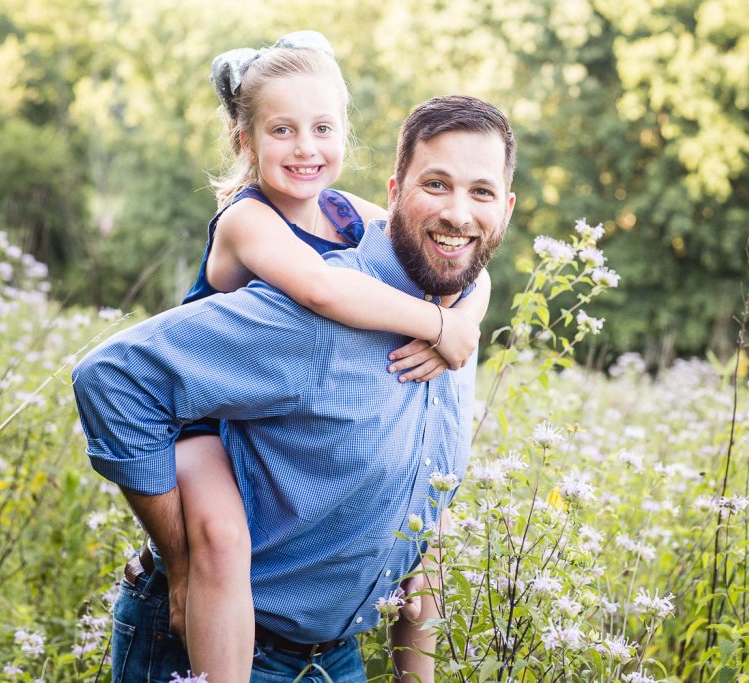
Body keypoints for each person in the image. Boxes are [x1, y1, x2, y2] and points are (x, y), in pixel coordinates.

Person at [73, 93, 517, 682]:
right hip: (220, 643)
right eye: (436, 184)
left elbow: (422, 516)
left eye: (481, 192)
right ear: (393, 194)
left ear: (506, 208)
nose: (460, 213)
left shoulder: (458, 324)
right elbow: (112, 378)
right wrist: (180, 561)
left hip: (335, 659)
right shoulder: (314, 313)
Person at [170, 32, 491, 682]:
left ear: (346, 133)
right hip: (198, 415)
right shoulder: (246, 218)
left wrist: (463, 322)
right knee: (223, 544)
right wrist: (434, 320)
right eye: (281, 130)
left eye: (322, 127)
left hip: (268, 419)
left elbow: (463, 260)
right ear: (246, 141)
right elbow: (321, 288)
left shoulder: (346, 212)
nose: (305, 147)